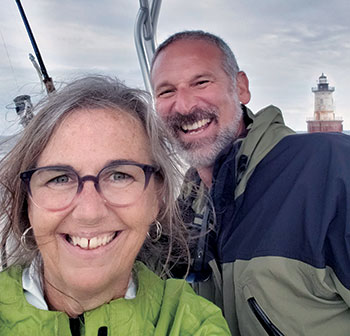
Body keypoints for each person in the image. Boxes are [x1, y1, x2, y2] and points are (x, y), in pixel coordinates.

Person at [150, 30, 350, 335]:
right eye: (166, 92)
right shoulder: (189, 203)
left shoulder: (330, 169)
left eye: (201, 82)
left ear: (240, 88)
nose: (185, 105)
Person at [0, 75, 231, 335]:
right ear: (27, 202)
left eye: (119, 176)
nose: (90, 212)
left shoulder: (195, 324)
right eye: (60, 178)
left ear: (158, 197)